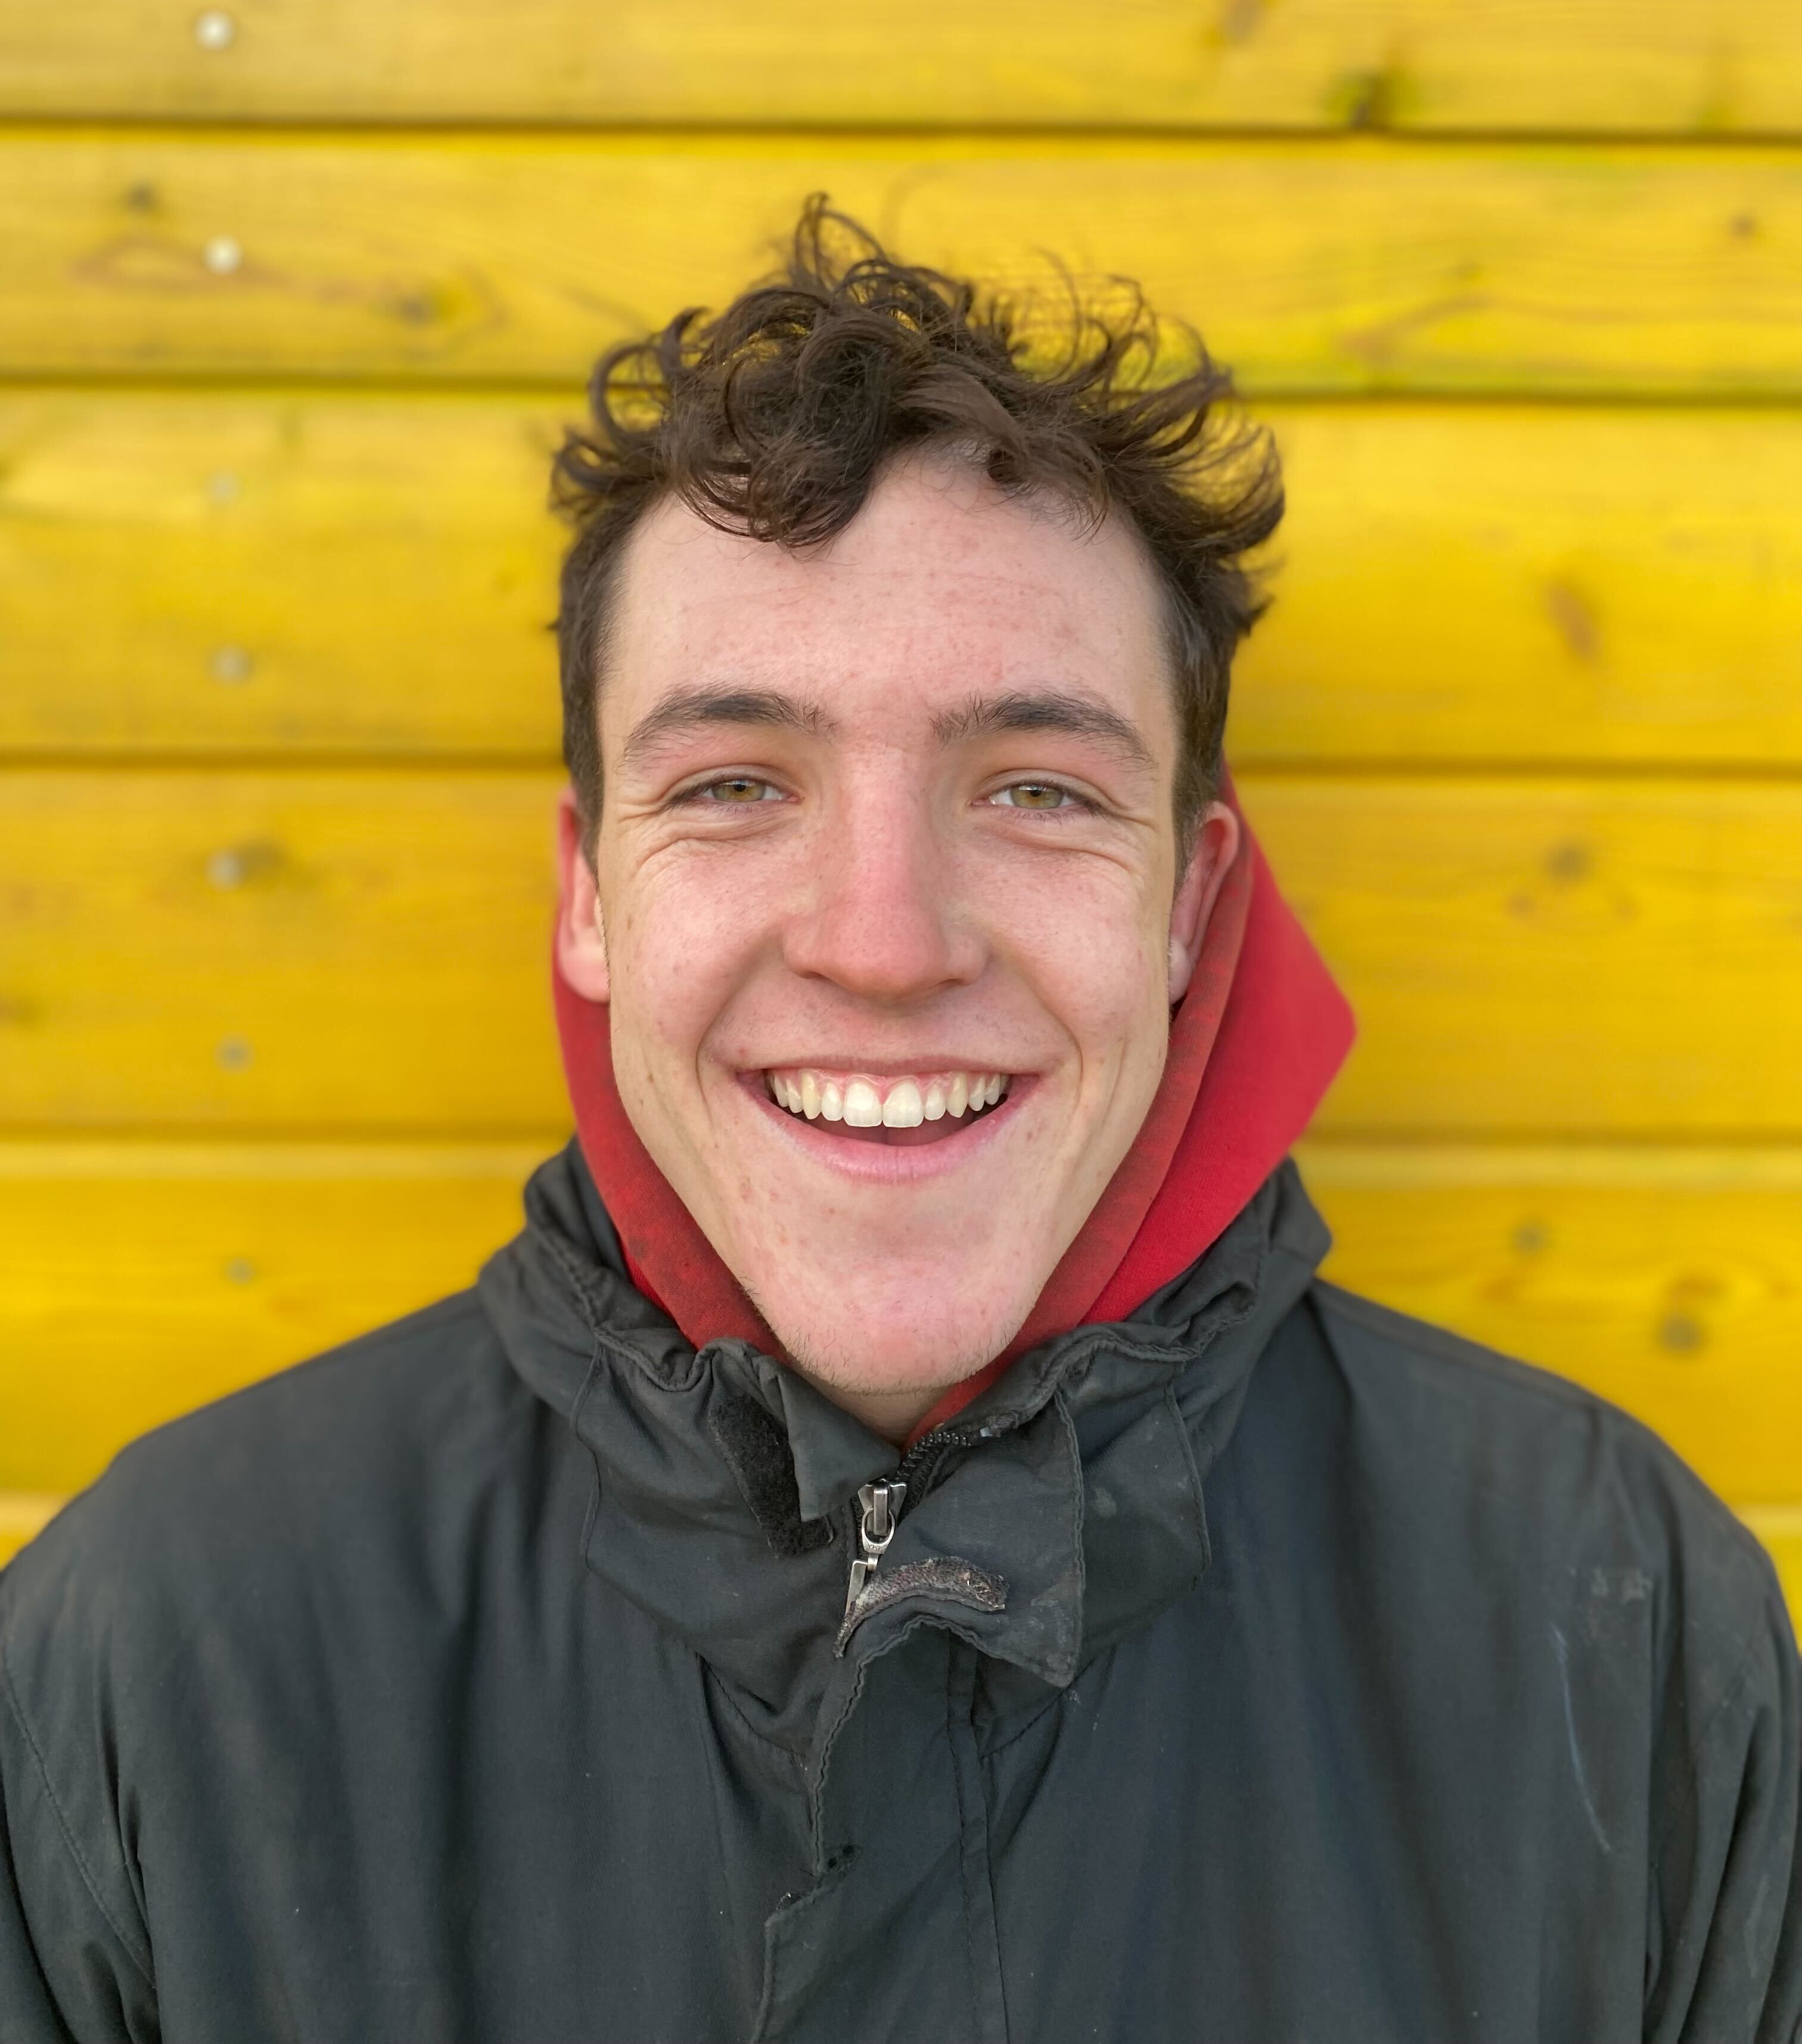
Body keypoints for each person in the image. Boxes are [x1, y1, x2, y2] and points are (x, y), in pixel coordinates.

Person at [1, 204, 1796, 2044]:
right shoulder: (151, 1664)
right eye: (733, 783)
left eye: (1036, 789)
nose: (882, 944)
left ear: (1190, 903)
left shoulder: (1627, 1643)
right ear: (590, 894)